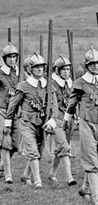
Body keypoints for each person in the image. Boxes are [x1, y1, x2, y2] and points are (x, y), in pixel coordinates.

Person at [65, 47, 98, 205]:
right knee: (91, 159)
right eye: (92, 63)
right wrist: (67, 118)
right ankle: (96, 197)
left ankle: (85, 187)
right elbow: (72, 102)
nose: (95, 66)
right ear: (87, 65)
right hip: (87, 123)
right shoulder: (80, 83)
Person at [4, 52, 58, 189]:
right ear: (30, 69)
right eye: (36, 67)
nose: (40, 69)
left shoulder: (49, 85)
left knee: (39, 149)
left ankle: (26, 175)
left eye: (42, 66)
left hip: (43, 123)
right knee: (32, 149)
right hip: (27, 122)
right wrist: (8, 122)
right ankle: (37, 180)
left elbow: (55, 106)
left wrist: (52, 120)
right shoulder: (23, 86)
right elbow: (13, 105)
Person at [48, 55, 77, 186]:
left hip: (68, 121)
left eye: (68, 69)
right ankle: (70, 178)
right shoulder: (52, 85)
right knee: (64, 147)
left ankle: (51, 174)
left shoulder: (72, 84)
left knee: (60, 149)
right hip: (56, 120)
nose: (66, 72)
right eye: (64, 69)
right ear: (57, 71)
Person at [0, 42, 21, 184]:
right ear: (4, 58)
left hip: (14, 112)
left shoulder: (17, 72)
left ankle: (1, 166)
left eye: (14, 57)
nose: (12, 59)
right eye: (9, 57)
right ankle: (8, 174)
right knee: (5, 141)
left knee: (16, 144)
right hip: (1, 109)